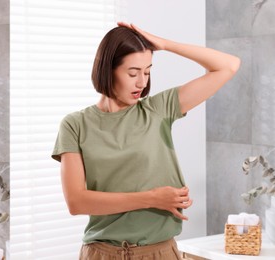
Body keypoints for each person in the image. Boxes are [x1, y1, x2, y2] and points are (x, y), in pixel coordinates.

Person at [52, 22, 240, 260]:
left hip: (158, 253)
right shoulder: (75, 124)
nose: (142, 83)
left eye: (147, 71)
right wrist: (152, 198)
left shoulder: (158, 109)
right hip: (100, 253)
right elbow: (76, 202)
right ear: (108, 70)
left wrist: (164, 44)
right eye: (133, 73)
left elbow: (228, 66)